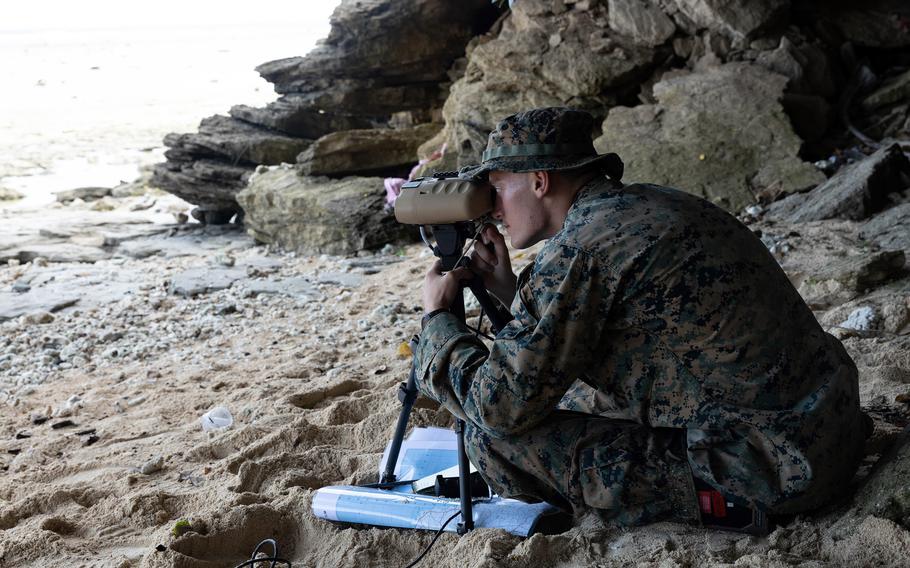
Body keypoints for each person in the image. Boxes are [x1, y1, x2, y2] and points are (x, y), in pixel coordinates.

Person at [415, 107, 866, 527]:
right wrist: (512, 291)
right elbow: (625, 334)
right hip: (825, 429)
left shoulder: (582, 249)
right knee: (568, 397)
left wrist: (438, 318)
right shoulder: (650, 205)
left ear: (538, 181)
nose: (490, 207)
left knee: (490, 440)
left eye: (496, 187)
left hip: (767, 469)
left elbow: (499, 408)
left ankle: (716, 502)